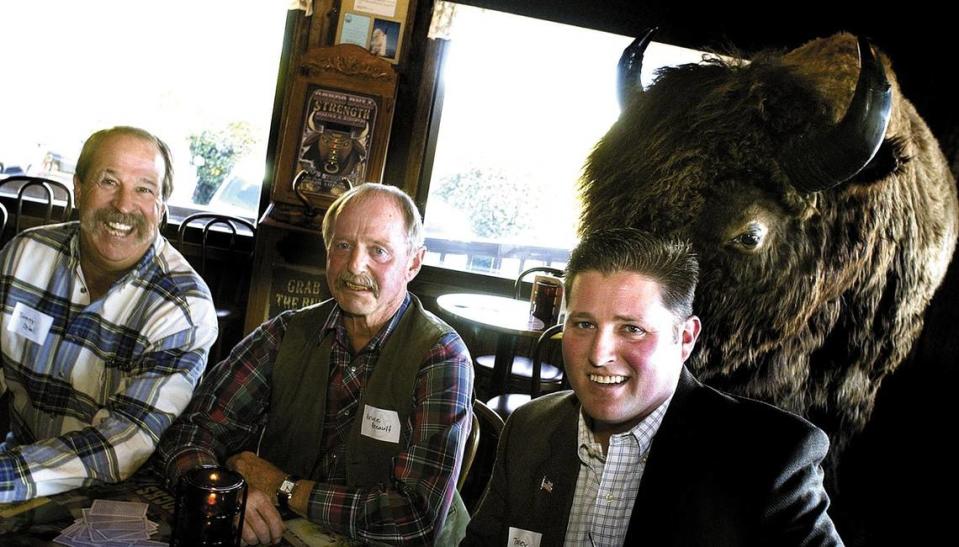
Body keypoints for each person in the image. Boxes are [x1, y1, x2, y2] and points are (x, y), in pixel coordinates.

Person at [463, 228, 843, 546]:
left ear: (685, 339)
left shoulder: (770, 458)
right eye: (583, 324)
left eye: (632, 329)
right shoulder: (529, 428)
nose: (599, 354)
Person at [158, 183, 474, 545]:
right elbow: (190, 433)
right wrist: (224, 495)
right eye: (343, 246)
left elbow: (414, 517)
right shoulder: (285, 332)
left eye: (379, 250)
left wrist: (283, 487)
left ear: (413, 262)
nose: (355, 265)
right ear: (327, 252)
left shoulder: (441, 355)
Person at [0, 126, 218, 502]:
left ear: (161, 209)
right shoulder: (23, 255)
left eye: (144, 189)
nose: (123, 205)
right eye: (108, 181)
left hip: (121, 498)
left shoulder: (183, 308)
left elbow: (121, 446)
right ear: (79, 189)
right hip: (16, 470)